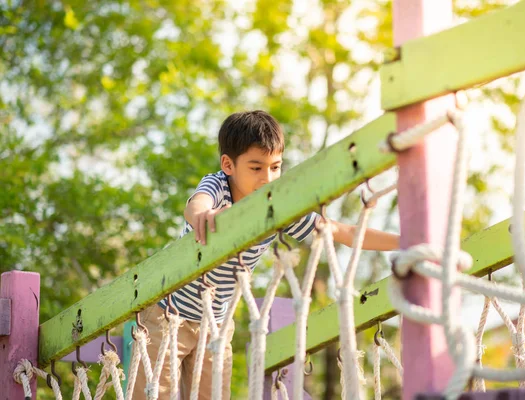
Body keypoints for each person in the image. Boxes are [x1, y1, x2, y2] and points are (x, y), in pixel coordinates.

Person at [133, 110, 400, 399]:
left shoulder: (277, 208)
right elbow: (196, 205)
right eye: (256, 168)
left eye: (275, 167)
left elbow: (341, 232)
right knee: (152, 393)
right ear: (228, 165)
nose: (268, 178)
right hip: (167, 316)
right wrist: (204, 215)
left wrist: (404, 240)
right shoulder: (218, 187)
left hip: (216, 325)